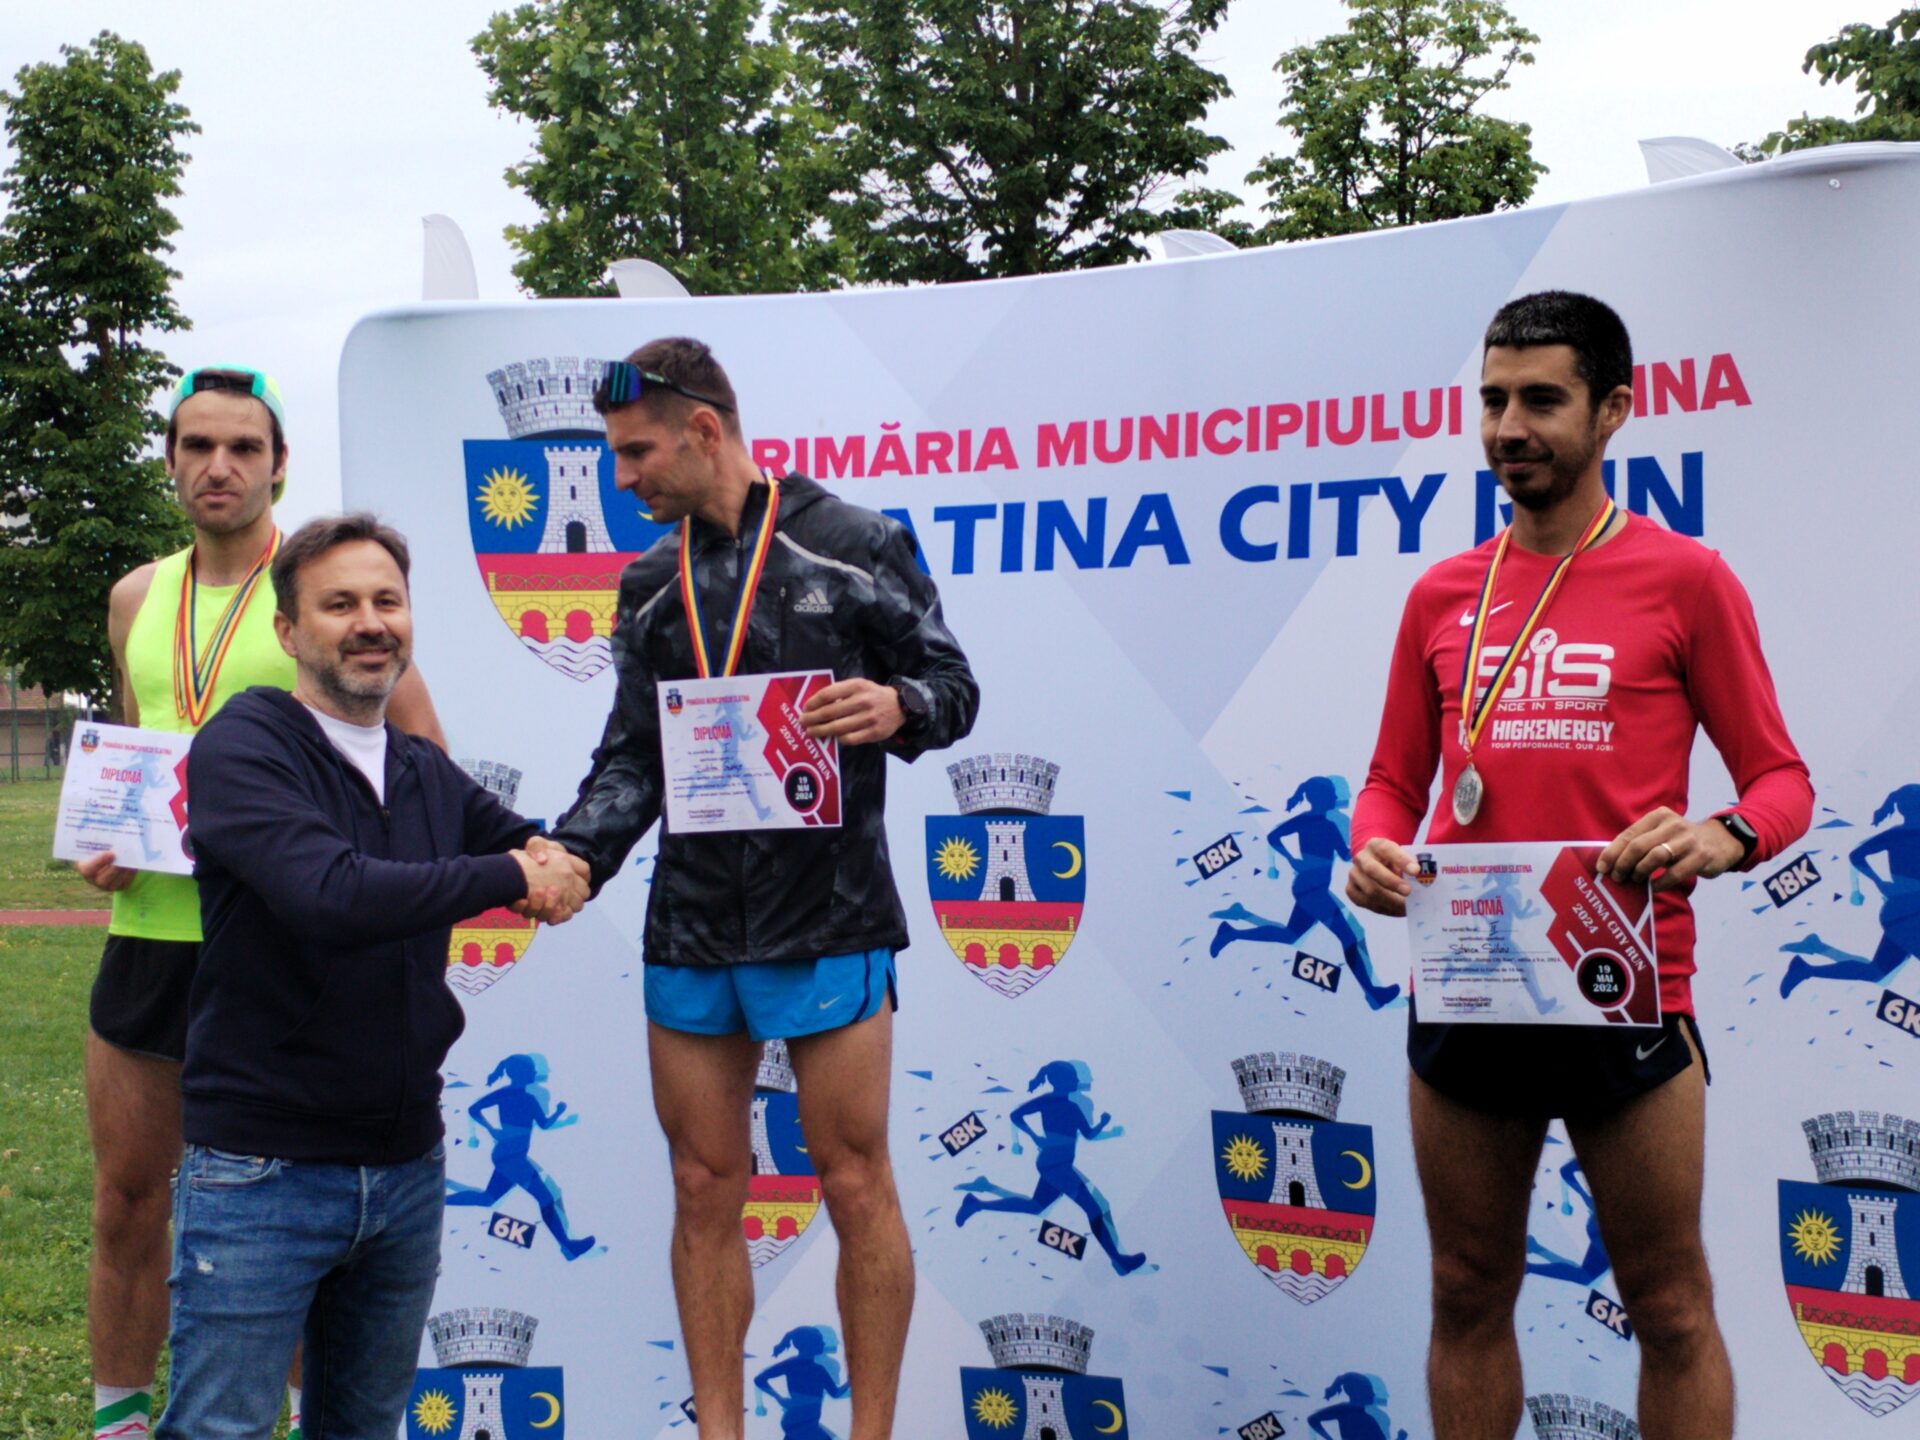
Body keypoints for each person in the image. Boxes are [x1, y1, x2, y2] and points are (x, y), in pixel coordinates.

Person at [1346, 292, 1811, 1440]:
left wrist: (1723, 836)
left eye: (1542, 401)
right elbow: (1393, 781)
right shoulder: (1441, 593)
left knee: (1669, 1304)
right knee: (1466, 1291)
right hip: (1470, 983)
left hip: (1625, 987)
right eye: (1493, 400)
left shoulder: (1688, 579)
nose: (1510, 428)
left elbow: (1780, 781)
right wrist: (1372, 849)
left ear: (1613, 410)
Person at [543, 337, 978, 1440]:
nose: (622, 479)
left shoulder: (856, 541)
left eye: (637, 453)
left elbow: (953, 683)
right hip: (692, 923)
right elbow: (632, 756)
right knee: (702, 1185)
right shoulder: (649, 580)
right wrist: (577, 854)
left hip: (829, 914)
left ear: (704, 430)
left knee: (853, 1180)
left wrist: (900, 707)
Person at [152, 514, 587, 1440]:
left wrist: (565, 857)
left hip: (405, 1170)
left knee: (363, 1429)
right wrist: (516, 874)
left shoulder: (423, 769)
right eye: (339, 604)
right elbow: (332, 895)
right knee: (221, 1429)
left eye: (387, 601)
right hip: (262, 1172)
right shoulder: (244, 746)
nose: (369, 623)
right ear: (288, 631)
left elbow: (529, 844)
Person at [73, 367, 446, 1440]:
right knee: (129, 1198)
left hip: (286, 951)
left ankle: (279, 1414)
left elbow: (423, 761)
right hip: (152, 936)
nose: (219, 466)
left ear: (281, 464)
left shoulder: (320, 597)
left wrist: (334, 867)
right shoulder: (136, 598)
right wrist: (110, 837)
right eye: (198, 445)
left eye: (244, 447)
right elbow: (139, 746)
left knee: (279, 1208)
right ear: (171, 462)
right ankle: (117, 1420)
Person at [953, 1059, 1145, 1275]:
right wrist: (1035, 1137)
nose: (1077, 1080)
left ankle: (976, 1204)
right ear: (1061, 1081)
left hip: (1056, 1165)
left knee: (1036, 1206)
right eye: (1072, 1077)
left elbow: (1089, 1134)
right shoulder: (1051, 1102)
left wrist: (1102, 1123)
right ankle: (1118, 1261)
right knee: (1093, 1210)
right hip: (1056, 1166)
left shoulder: (1071, 1107)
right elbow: (1015, 1115)